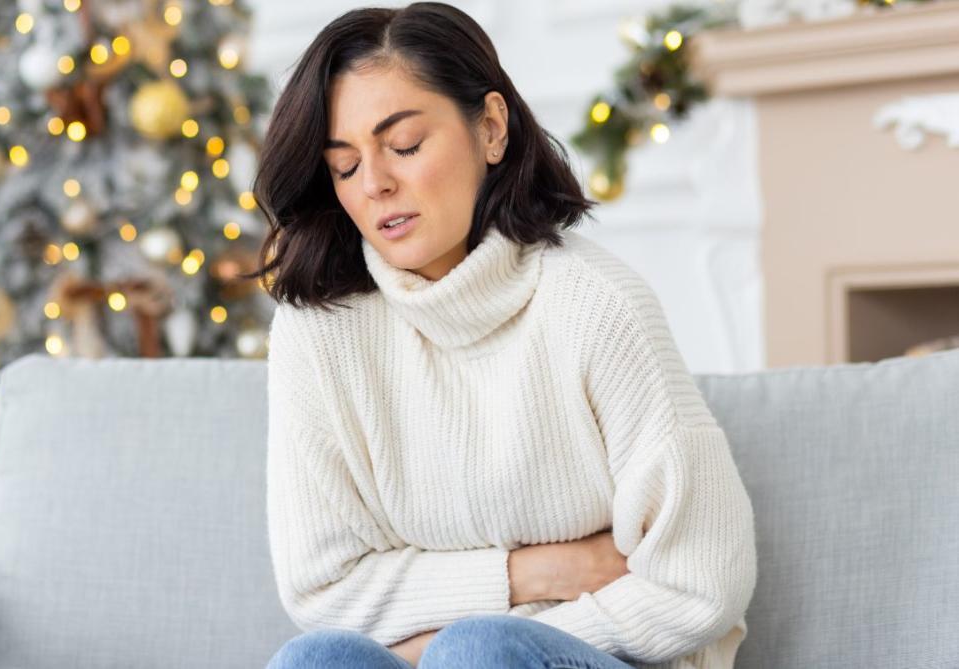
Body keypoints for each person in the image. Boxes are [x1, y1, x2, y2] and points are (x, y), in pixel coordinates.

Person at [243, 3, 758, 668]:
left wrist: (462, 640)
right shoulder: (319, 333)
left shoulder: (595, 305)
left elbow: (702, 582)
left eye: (403, 146)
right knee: (314, 662)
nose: (376, 184)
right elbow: (323, 588)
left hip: (616, 658)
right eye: (344, 166)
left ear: (490, 128)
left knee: (482, 651)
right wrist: (535, 572)